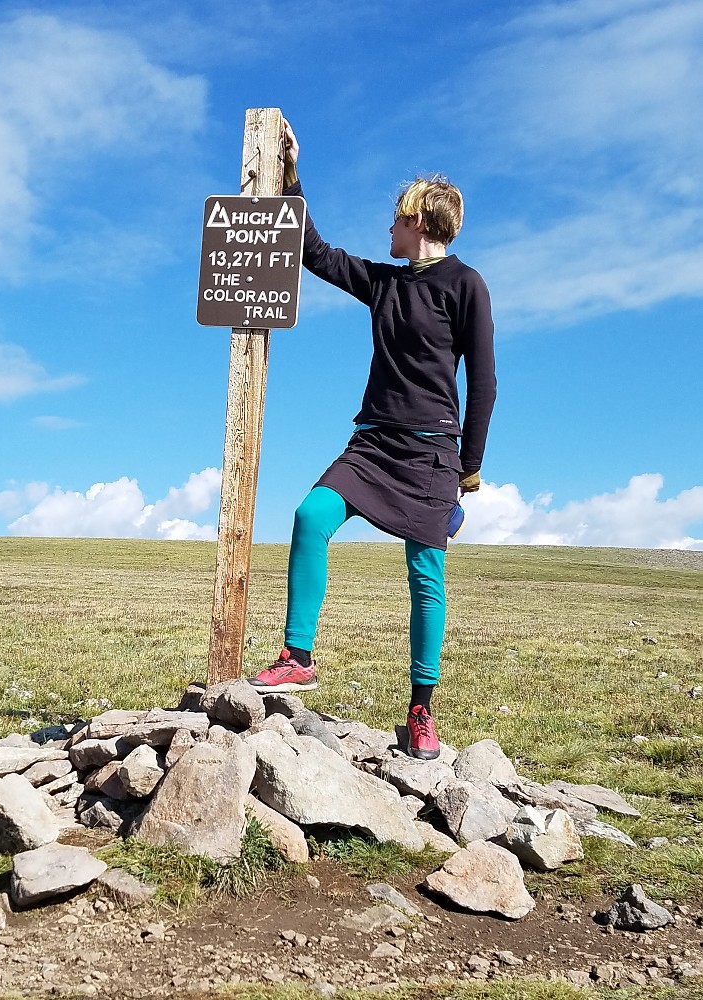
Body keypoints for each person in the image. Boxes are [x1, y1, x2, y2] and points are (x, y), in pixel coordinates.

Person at [248, 120, 496, 761]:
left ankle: (421, 710)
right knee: (310, 516)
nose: (388, 230)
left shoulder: (466, 286)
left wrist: (467, 471)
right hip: (374, 446)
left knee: (426, 577)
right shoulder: (385, 284)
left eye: (395, 220)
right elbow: (316, 251)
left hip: (433, 452)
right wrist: (291, 177)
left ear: (419, 221)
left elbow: (485, 380)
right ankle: (296, 656)